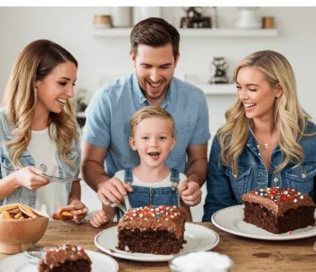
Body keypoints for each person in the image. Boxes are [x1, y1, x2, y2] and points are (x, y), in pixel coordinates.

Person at [81, 18, 208, 212]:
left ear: (177, 59)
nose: (155, 77)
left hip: (176, 210)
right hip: (121, 210)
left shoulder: (195, 99)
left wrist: (193, 183)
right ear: (132, 58)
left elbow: (198, 160)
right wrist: (102, 183)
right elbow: (90, 163)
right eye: (146, 66)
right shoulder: (106, 99)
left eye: (164, 66)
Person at [203, 50, 316, 220]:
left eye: (252, 89)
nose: (242, 96)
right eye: (239, 87)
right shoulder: (226, 139)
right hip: (241, 244)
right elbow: (216, 208)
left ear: (278, 89)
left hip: (299, 244)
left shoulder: (311, 138)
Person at [0, 39, 88, 221]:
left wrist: (75, 202)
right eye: (63, 83)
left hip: (61, 235)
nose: (71, 93)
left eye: (73, 84)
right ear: (36, 80)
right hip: (19, 238)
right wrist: (16, 179)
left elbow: (73, 181)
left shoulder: (69, 128)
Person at [90, 106, 194, 227]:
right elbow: (108, 214)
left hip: (169, 244)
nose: (154, 144)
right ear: (133, 143)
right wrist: (101, 217)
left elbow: (188, 223)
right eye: (145, 138)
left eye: (162, 138)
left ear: (172, 143)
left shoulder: (181, 181)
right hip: (129, 244)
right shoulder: (120, 179)